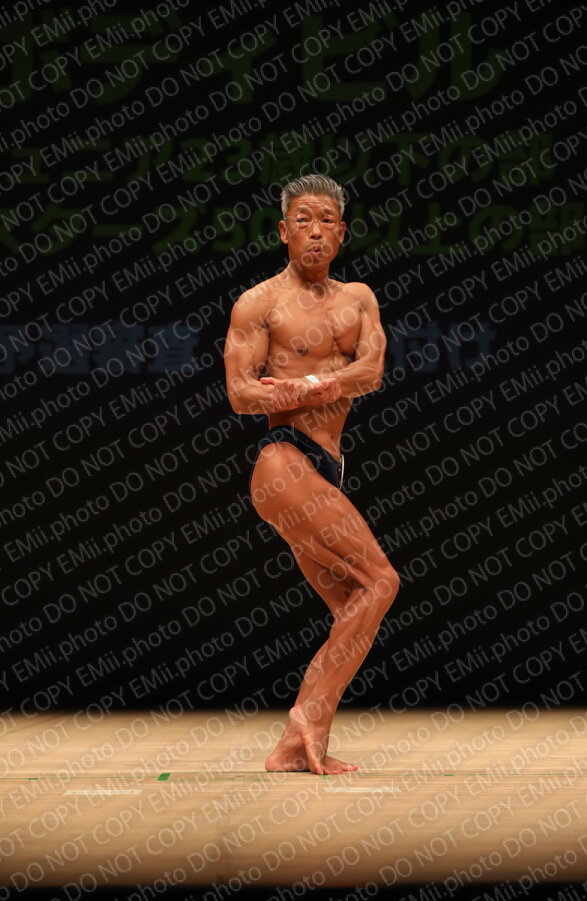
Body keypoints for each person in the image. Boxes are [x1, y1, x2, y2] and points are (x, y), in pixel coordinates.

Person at [224, 174, 400, 775]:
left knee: (356, 603)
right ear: (283, 231)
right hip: (284, 461)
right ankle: (310, 715)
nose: (315, 231)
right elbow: (241, 392)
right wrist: (298, 392)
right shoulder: (259, 303)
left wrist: (313, 383)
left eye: (327, 220)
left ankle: (294, 746)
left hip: (326, 468)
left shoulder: (359, 298)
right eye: (303, 220)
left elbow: (371, 371)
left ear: (342, 232)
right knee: (381, 581)